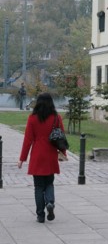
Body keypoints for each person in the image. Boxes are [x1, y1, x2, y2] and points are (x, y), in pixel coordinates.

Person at [18, 93, 66, 223]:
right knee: (49, 182)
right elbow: (61, 137)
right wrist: (63, 153)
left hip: (37, 154)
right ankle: (50, 202)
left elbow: (27, 140)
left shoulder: (32, 118)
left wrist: (22, 158)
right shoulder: (56, 118)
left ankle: (40, 215)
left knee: (38, 187)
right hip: (51, 153)